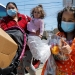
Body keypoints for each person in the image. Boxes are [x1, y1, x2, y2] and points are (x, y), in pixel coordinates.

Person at [0, 2, 39, 75]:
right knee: (19, 68)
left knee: (28, 66)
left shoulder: (25, 18)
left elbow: (36, 25)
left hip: (27, 47)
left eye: (12, 8)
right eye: (9, 8)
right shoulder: (3, 21)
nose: (11, 9)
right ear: (6, 10)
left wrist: (38, 32)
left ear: (17, 9)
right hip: (15, 51)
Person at [41, 6, 75, 75]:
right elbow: (50, 54)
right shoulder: (57, 36)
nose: (66, 22)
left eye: (70, 20)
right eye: (64, 19)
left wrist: (70, 52)